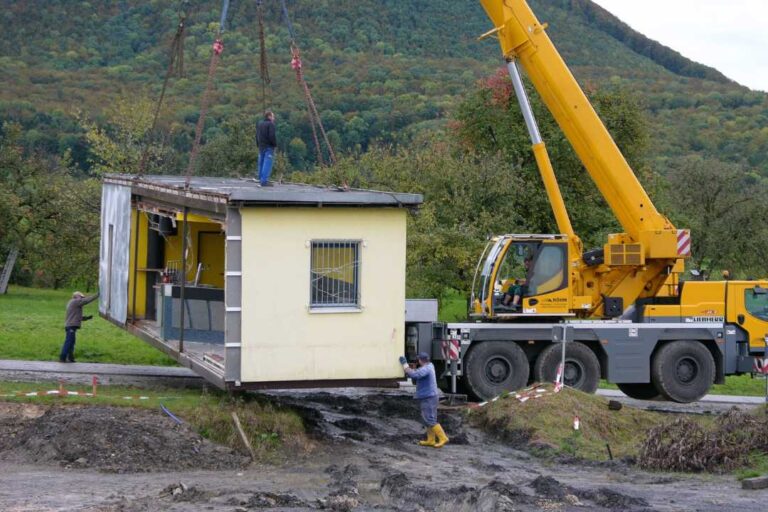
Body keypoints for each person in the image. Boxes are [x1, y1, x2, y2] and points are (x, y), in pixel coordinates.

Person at [398, 352, 449, 448]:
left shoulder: (426, 369)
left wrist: (405, 365)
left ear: (420, 360)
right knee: (428, 419)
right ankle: (431, 440)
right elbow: (418, 373)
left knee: (429, 418)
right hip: (430, 396)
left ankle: (443, 438)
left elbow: (414, 375)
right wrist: (414, 368)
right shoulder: (429, 366)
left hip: (428, 397)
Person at [59, 291, 99, 363]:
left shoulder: (73, 303)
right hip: (71, 326)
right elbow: (87, 300)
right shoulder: (75, 302)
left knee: (71, 342)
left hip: (70, 325)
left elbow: (76, 316)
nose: (82, 299)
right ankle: (62, 357)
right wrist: (98, 294)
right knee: (69, 342)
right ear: (76, 296)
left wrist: (86, 318)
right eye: (81, 297)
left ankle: (70, 358)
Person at [256, 110, 277, 187]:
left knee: (261, 162)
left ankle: (260, 178)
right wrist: (274, 145)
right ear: (269, 116)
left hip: (261, 146)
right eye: (273, 116)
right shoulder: (271, 124)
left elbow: (257, 135)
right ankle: (264, 181)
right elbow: (272, 136)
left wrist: (258, 144)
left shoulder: (260, 124)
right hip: (268, 146)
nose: (274, 118)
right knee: (267, 163)